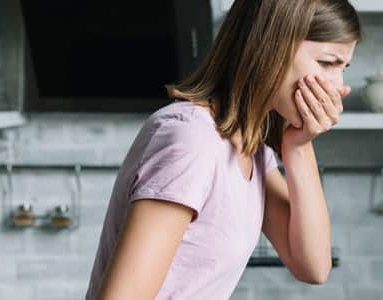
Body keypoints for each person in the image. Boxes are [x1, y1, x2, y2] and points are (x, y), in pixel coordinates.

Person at [85, 0, 360, 299]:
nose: (337, 86)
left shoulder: (250, 145)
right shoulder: (192, 138)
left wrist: (298, 145)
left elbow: (313, 266)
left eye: (343, 68)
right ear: (271, 48)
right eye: (327, 63)